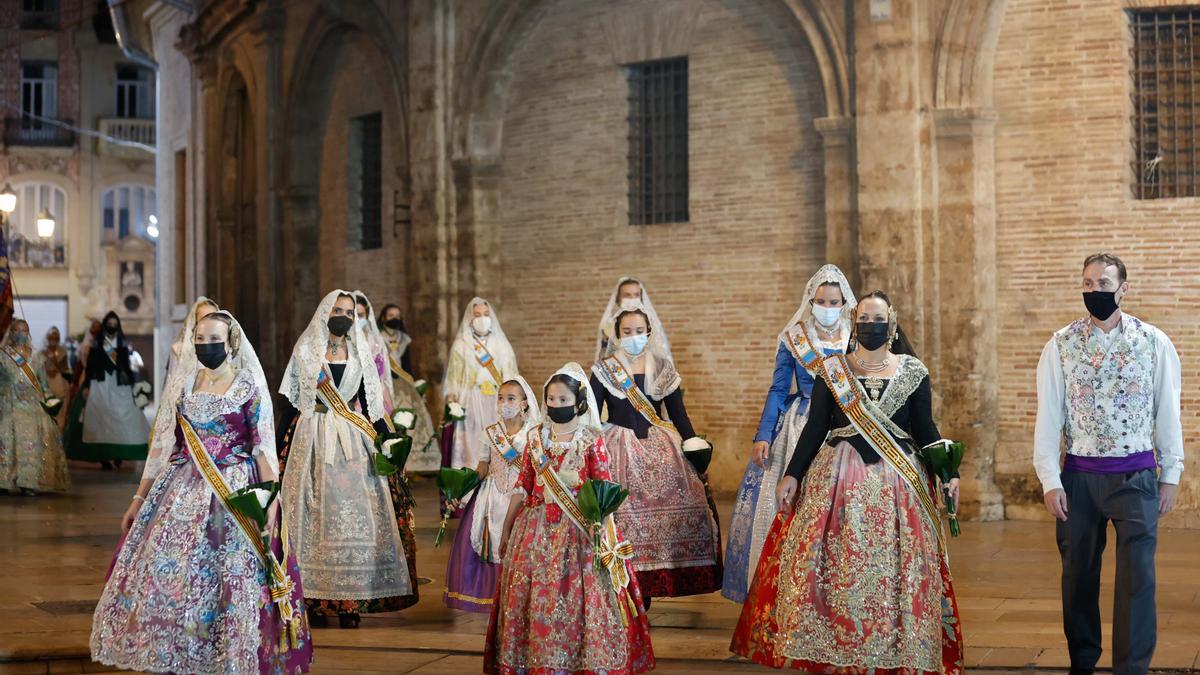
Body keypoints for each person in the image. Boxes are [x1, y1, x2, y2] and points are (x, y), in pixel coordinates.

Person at [731, 291, 964, 674]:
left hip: (898, 483)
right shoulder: (832, 370)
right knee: (837, 565)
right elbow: (815, 430)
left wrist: (948, 471)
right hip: (838, 479)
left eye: (879, 319)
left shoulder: (913, 372)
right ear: (855, 323)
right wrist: (792, 473)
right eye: (865, 319)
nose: (871, 325)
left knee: (897, 570)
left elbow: (925, 429)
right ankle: (838, 644)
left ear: (891, 322)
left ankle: (898, 646)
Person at [90, 311, 312, 674]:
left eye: (214, 340)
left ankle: (229, 650)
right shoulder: (184, 385)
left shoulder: (247, 386)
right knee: (176, 571)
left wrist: (269, 496)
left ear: (230, 343)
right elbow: (167, 450)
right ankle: (181, 649)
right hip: (181, 487)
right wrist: (139, 499)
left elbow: (261, 447)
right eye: (201, 339)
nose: (206, 346)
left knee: (231, 574)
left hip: (234, 489)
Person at [1033, 253, 1183, 675]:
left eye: (1103, 283)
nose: (1094, 290)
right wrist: (1049, 478)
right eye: (1087, 283)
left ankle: (1131, 668)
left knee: (1137, 581)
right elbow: (1049, 416)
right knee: (1078, 577)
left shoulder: (1153, 342)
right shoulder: (1060, 345)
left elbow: (1167, 412)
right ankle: (1082, 661)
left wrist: (1171, 474)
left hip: (1136, 478)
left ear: (1123, 288)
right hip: (1079, 479)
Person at [485, 363, 655, 674]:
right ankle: (534, 659)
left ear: (577, 402)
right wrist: (506, 528)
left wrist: (605, 537)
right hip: (533, 530)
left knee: (579, 598)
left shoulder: (590, 439)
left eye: (563, 400)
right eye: (551, 399)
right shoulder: (536, 438)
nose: (556, 405)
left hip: (579, 532)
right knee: (534, 598)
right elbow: (523, 485)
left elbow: (602, 489)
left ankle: (581, 659)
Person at [277, 290, 414, 629]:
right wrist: (281, 444)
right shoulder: (306, 350)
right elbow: (292, 404)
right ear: (324, 312)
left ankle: (350, 601)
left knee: (356, 516)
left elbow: (371, 404)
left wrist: (386, 438)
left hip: (354, 440)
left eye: (349, 312)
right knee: (312, 516)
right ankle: (313, 598)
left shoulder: (360, 350)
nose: (343, 316)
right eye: (337, 310)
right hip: (313, 437)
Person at [723, 264, 855, 602]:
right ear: (810, 301)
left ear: (844, 302)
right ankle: (782, 586)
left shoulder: (855, 336)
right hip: (799, 423)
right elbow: (778, 390)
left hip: (844, 423)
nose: (827, 308)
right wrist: (764, 433)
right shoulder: (794, 338)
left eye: (834, 301)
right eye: (821, 301)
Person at [590, 305, 722, 601]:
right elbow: (592, 419)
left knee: (689, 502)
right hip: (619, 448)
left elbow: (679, 415)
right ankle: (630, 584)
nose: (633, 336)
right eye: (627, 332)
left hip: (663, 447)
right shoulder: (604, 369)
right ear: (617, 335)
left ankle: (662, 577)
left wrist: (694, 450)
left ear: (648, 333)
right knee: (623, 517)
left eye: (639, 331)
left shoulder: (663, 367)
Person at [444, 376, 541, 613]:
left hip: (520, 498)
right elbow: (482, 467)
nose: (503, 403)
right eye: (500, 398)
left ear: (524, 403)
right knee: (486, 542)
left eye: (510, 398)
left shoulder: (534, 433)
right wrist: (460, 488)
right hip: (492, 494)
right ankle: (490, 596)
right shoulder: (490, 433)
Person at [440, 297, 518, 470]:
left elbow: (511, 374)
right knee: (472, 441)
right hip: (470, 401)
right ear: (470, 318)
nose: (482, 318)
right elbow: (453, 377)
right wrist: (452, 403)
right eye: (477, 315)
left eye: (486, 314)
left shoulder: (501, 344)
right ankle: (469, 480)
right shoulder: (462, 345)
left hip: (497, 400)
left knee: (497, 438)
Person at [0, 319, 71, 494]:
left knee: (32, 440)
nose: (20, 334)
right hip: (10, 404)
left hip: (31, 406)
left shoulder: (37, 356)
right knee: (6, 438)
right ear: (11, 332)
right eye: (17, 330)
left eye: (24, 330)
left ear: (29, 332)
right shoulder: (3, 354)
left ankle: (28, 482)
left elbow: (43, 384)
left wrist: (50, 403)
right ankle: (4, 481)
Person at [74, 311, 150, 467]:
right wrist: (87, 385)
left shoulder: (122, 343)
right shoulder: (97, 343)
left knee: (121, 419)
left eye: (115, 324)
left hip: (119, 385)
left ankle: (118, 454)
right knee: (101, 420)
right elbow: (90, 367)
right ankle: (104, 457)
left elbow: (126, 367)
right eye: (109, 324)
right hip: (100, 384)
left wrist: (133, 383)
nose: (112, 327)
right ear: (105, 325)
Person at [374, 301, 438, 472]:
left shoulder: (404, 338)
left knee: (410, 421)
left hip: (403, 384)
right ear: (383, 318)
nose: (394, 319)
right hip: (386, 384)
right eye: (390, 316)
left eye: (397, 316)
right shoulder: (377, 337)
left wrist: (414, 384)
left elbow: (407, 365)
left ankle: (410, 463)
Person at [594, 277, 672, 362]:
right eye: (627, 295)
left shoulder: (652, 324)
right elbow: (604, 355)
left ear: (642, 298)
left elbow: (660, 352)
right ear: (618, 299)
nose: (632, 298)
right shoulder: (608, 326)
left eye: (636, 295)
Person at [41, 326, 71, 430]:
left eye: (55, 338)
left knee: (60, 412)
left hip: (59, 381)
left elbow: (65, 368)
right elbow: (40, 368)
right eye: (51, 338)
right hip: (46, 382)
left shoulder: (62, 351)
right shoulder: (42, 352)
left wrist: (54, 358)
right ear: (48, 338)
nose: (53, 340)